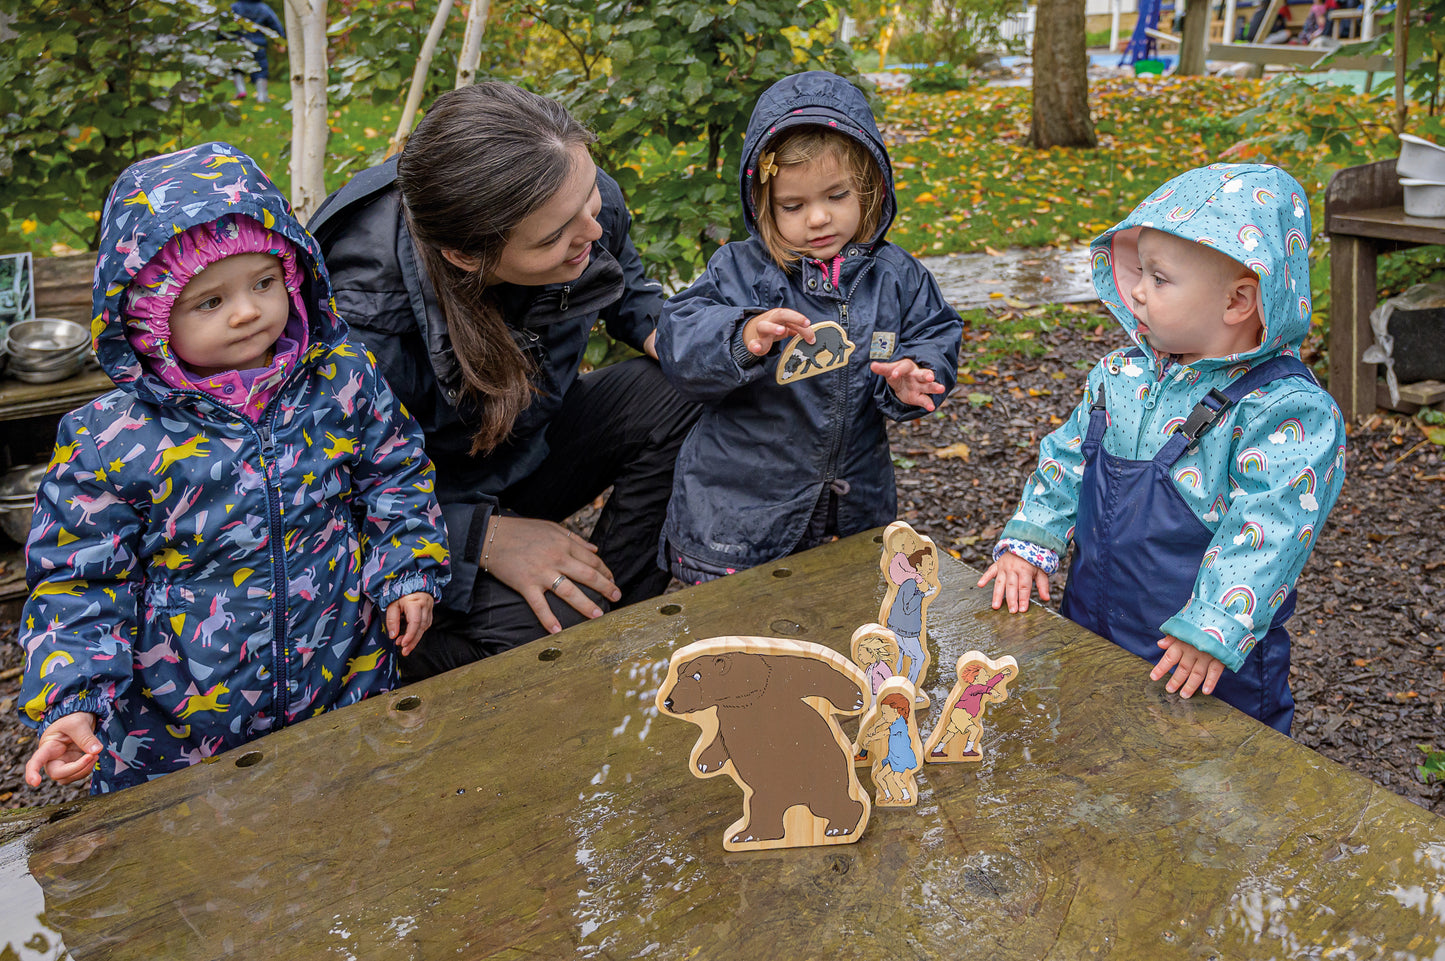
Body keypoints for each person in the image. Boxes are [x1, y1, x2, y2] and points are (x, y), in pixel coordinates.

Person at [18, 142, 449, 793]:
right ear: (150, 321)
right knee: (195, 877)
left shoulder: (340, 382)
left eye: (263, 283)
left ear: (294, 274)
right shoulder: (110, 439)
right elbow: (77, 581)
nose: (247, 310)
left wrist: (407, 567)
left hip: (339, 679)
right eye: (209, 302)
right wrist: (74, 696)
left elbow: (396, 473)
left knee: (347, 832)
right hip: (176, 734)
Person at [309, 83, 699, 678]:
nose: (592, 233)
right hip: (406, 517)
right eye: (554, 238)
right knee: (553, 640)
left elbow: (626, 289)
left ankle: (615, 616)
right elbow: (325, 496)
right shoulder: (364, 312)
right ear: (466, 257)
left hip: (519, 451)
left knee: (681, 389)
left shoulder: (570, 194)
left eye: (591, 200)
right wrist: (482, 539)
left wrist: (700, 342)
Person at [978, 163, 1346, 735]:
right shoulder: (1119, 375)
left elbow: (1269, 528)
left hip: (1203, 660)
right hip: (1094, 622)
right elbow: (1070, 458)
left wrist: (1217, 624)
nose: (1137, 291)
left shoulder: (1282, 412)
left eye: (1160, 278)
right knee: (1094, 744)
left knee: (1216, 783)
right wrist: (1032, 540)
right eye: (1138, 272)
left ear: (1238, 302)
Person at [655, 70, 962, 585]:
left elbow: (935, 330)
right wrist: (742, 335)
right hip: (737, 520)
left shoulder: (897, 276)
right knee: (734, 647)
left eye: (836, 196)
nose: (817, 219)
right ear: (765, 206)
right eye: (793, 206)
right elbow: (678, 334)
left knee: (841, 630)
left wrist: (918, 373)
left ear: (870, 188)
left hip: (852, 510)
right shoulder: (740, 270)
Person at [929, 662, 1015, 759]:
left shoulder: (980, 687)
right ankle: (967, 750)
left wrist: (1001, 674)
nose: (987, 676)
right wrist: (992, 691)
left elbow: (989, 684)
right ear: (976, 678)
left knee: (950, 733)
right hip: (961, 714)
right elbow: (982, 688)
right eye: (985, 675)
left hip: (959, 714)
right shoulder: (972, 688)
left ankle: (936, 750)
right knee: (975, 730)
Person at [229, 0, 285, 103]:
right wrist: (280, 40)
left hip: (239, 42)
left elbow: (226, 24)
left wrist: (221, 39)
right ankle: (262, 95)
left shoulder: (235, 7)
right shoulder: (263, 8)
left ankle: (240, 90)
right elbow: (275, 23)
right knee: (260, 68)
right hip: (258, 43)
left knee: (237, 67)